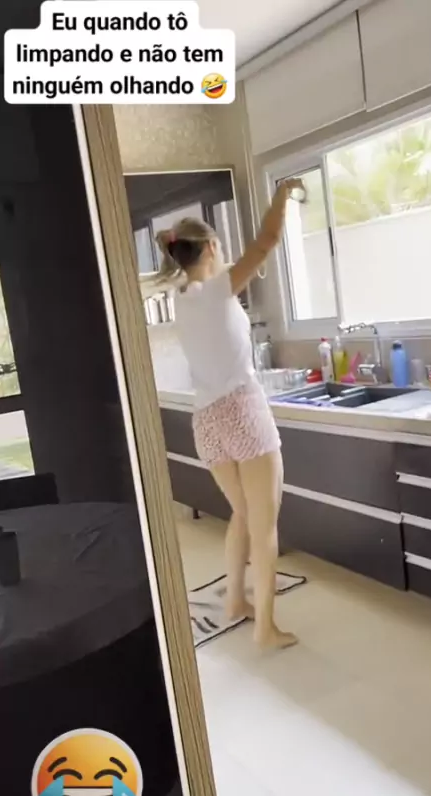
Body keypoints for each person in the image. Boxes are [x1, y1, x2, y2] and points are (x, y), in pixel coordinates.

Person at [155, 178, 304, 650]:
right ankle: (266, 629)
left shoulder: (180, 298)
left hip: (206, 421)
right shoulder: (218, 289)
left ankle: (236, 601)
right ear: (212, 248)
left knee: (242, 513)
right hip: (241, 410)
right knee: (264, 525)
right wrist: (282, 193)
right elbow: (268, 240)